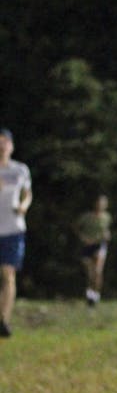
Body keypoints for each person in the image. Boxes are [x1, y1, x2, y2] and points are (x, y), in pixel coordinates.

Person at [0, 128, 32, 338]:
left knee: (8, 274)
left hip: (14, 229)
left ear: (11, 146)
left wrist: (23, 206)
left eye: (5, 142)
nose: (2, 146)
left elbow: (28, 194)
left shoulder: (20, 170)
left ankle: (4, 320)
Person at [74, 194, 112, 306]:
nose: (101, 205)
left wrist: (106, 236)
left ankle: (96, 295)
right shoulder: (86, 217)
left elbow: (107, 232)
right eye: (99, 202)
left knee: (98, 271)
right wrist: (83, 237)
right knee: (90, 273)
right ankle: (90, 294)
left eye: (103, 203)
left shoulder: (107, 217)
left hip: (100, 245)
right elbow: (76, 227)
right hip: (87, 246)